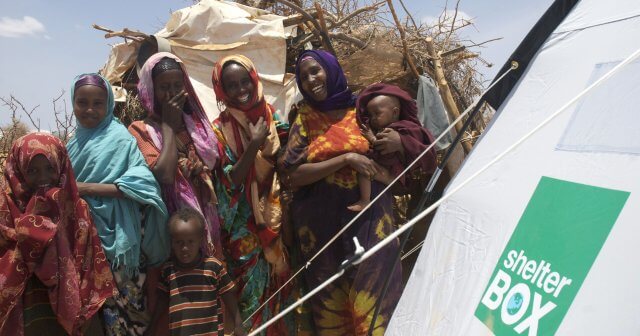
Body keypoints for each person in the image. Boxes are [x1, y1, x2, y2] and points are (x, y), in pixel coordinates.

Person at [282, 49, 403, 335]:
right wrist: (345, 159)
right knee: (331, 314)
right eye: (304, 76)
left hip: (371, 226)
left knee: (375, 309)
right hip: (323, 234)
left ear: (331, 69)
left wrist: (398, 142)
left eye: (316, 71)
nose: (311, 80)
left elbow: (399, 154)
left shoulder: (363, 110)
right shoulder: (305, 118)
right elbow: (291, 176)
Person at [66, 73, 170, 335]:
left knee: (127, 315)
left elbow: (142, 184)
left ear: (109, 103)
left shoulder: (121, 139)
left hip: (121, 244)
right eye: (82, 102)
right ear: (73, 103)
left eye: (98, 103)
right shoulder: (70, 145)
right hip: (83, 243)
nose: (90, 109)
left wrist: (84, 188)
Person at [0, 132, 114, 335]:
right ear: (18, 170)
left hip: (68, 312)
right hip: (24, 310)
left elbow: (88, 261)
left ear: (61, 166)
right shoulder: (4, 210)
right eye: (32, 170)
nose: (43, 178)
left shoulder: (76, 209)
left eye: (49, 168)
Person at [211, 55, 293, 334]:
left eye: (245, 81)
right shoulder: (218, 130)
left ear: (254, 79)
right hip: (244, 229)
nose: (241, 89)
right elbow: (230, 181)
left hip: (277, 217)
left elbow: (287, 158)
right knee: (251, 301)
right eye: (231, 85)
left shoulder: (272, 116)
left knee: (283, 295)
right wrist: (255, 143)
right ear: (222, 91)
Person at [129, 53, 222, 261]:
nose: (172, 93)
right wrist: (169, 126)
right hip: (171, 226)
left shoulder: (199, 125)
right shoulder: (141, 130)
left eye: (177, 85)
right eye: (164, 87)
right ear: (151, 90)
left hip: (208, 217)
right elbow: (165, 174)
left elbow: (216, 163)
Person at [147, 208, 245, 336]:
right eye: (179, 242)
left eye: (190, 242)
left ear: (200, 240)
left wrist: (238, 324)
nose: (185, 248)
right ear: (172, 243)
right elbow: (162, 301)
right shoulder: (168, 270)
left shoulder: (213, 266)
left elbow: (228, 296)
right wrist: (153, 326)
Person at [348, 83, 437, 212]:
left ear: (395, 112)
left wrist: (372, 137)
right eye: (370, 115)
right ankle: (365, 200)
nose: (372, 119)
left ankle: (365, 200)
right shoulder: (388, 128)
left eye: (377, 114)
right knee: (365, 167)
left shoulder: (401, 128)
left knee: (365, 169)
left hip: (397, 175)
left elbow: (382, 145)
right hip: (391, 175)